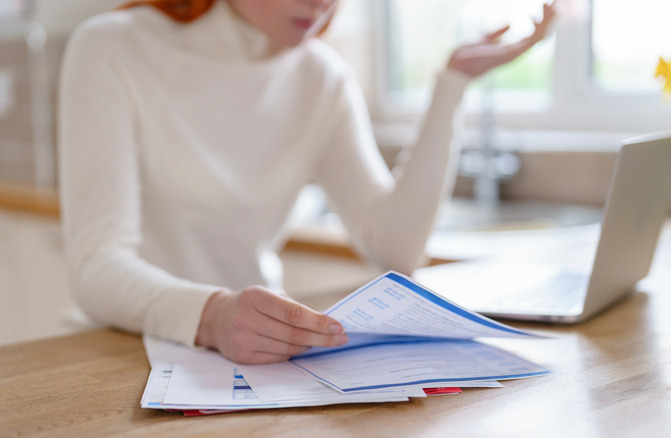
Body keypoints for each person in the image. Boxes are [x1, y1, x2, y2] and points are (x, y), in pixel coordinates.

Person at [58, 0, 556, 364]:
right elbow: (96, 265)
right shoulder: (111, 46)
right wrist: (212, 317)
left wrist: (452, 86)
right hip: (120, 357)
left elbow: (395, 248)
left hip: (255, 364)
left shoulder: (321, 77)